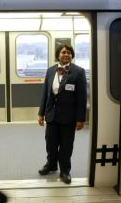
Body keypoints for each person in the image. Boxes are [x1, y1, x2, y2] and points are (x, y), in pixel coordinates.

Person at [37, 44, 87, 184]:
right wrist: (41, 113)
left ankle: (65, 170)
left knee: (66, 145)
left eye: (69, 52)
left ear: (72, 56)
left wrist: (80, 119)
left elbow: (81, 98)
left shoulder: (78, 72)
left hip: (69, 117)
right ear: (58, 55)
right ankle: (51, 165)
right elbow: (45, 94)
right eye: (64, 52)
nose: (66, 54)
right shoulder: (50, 70)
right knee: (51, 143)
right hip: (51, 115)